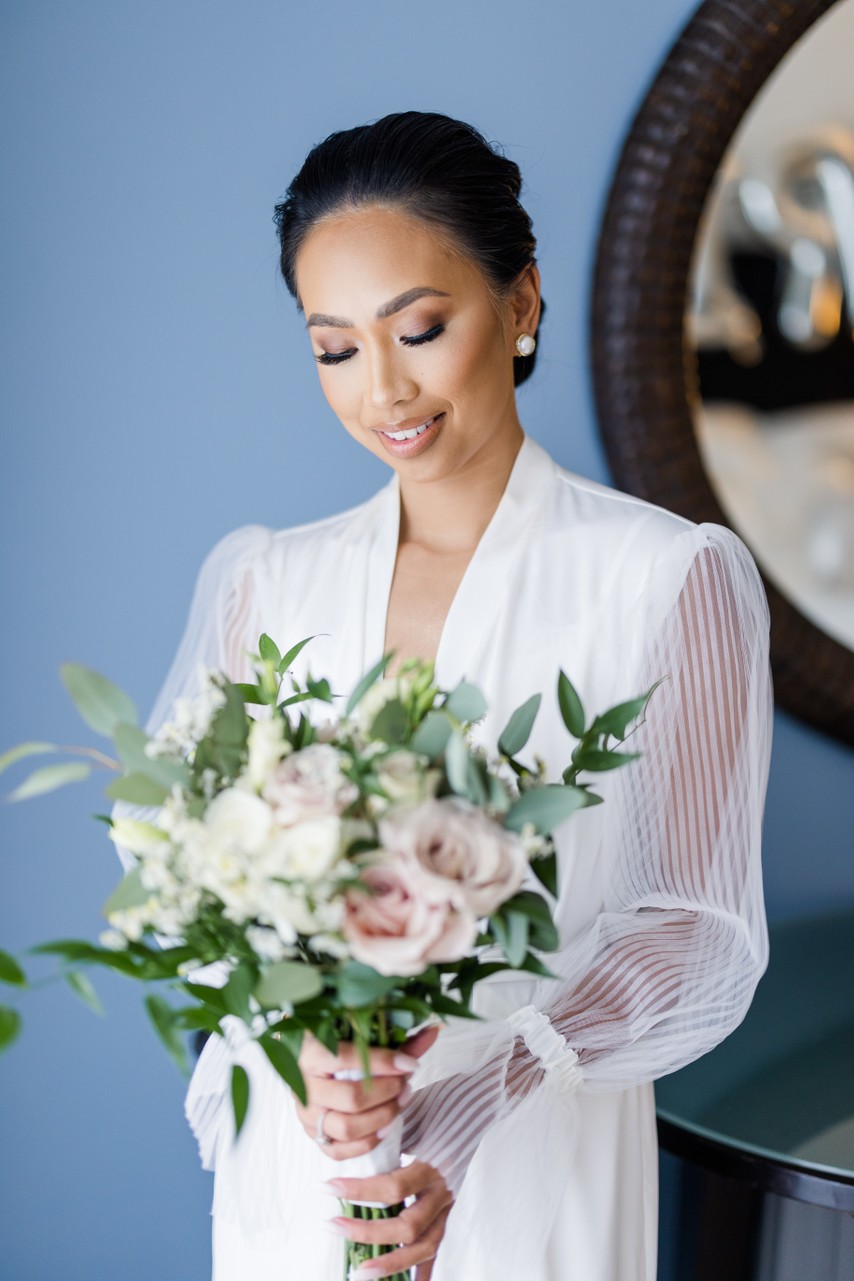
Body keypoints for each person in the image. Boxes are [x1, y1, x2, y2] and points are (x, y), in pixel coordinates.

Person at [146, 111, 773, 1281]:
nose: (382, 389)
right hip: (308, 1173)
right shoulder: (265, 583)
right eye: (334, 348)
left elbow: (693, 928)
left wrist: (491, 1089)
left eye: (419, 329)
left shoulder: (662, 577)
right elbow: (209, 901)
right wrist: (304, 1068)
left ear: (521, 303)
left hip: (540, 1150)